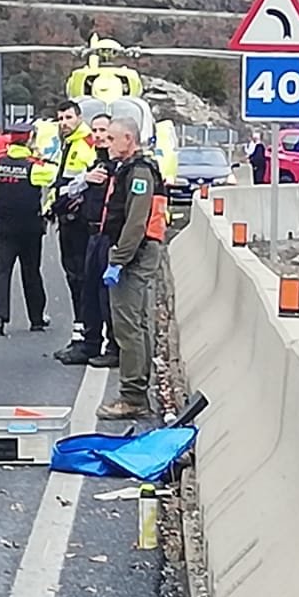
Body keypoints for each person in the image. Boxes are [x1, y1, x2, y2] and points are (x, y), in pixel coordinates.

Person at [96, 114, 169, 422]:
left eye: (112, 138)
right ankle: (138, 389)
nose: (106, 143)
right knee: (137, 324)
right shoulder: (129, 170)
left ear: (129, 139)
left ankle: (132, 397)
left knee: (128, 326)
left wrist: (118, 260)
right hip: (136, 253)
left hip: (135, 255)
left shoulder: (139, 173)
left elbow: (136, 222)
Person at [0, 122, 55, 335]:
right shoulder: (35, 166)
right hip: (30, 227)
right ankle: (36, 319)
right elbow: (55, 178)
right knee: (32, 272)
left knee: (2, 271)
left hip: (4, 225)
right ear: (29, 139)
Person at [55, 110, 113, 365]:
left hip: (106, 236)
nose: (99, 136)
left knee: (105, 295)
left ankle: (107, 346)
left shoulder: (119, 165)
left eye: (104, 131)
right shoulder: (93, 160)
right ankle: (87, 342)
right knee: (85, 290)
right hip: (84, 232)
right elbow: (65, 188)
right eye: (96, 130)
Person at [46, 100, 99, 357]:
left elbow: (84, 185)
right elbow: (57, 183)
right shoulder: (65, 145)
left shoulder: (85, 144)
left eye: (68, 117)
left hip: (79, 223)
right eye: (60, 118)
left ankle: (86, 339)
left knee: (81, 280)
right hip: (67, 219)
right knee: (73, 279)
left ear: (79, 118)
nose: (64, 122)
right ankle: (80, 335)